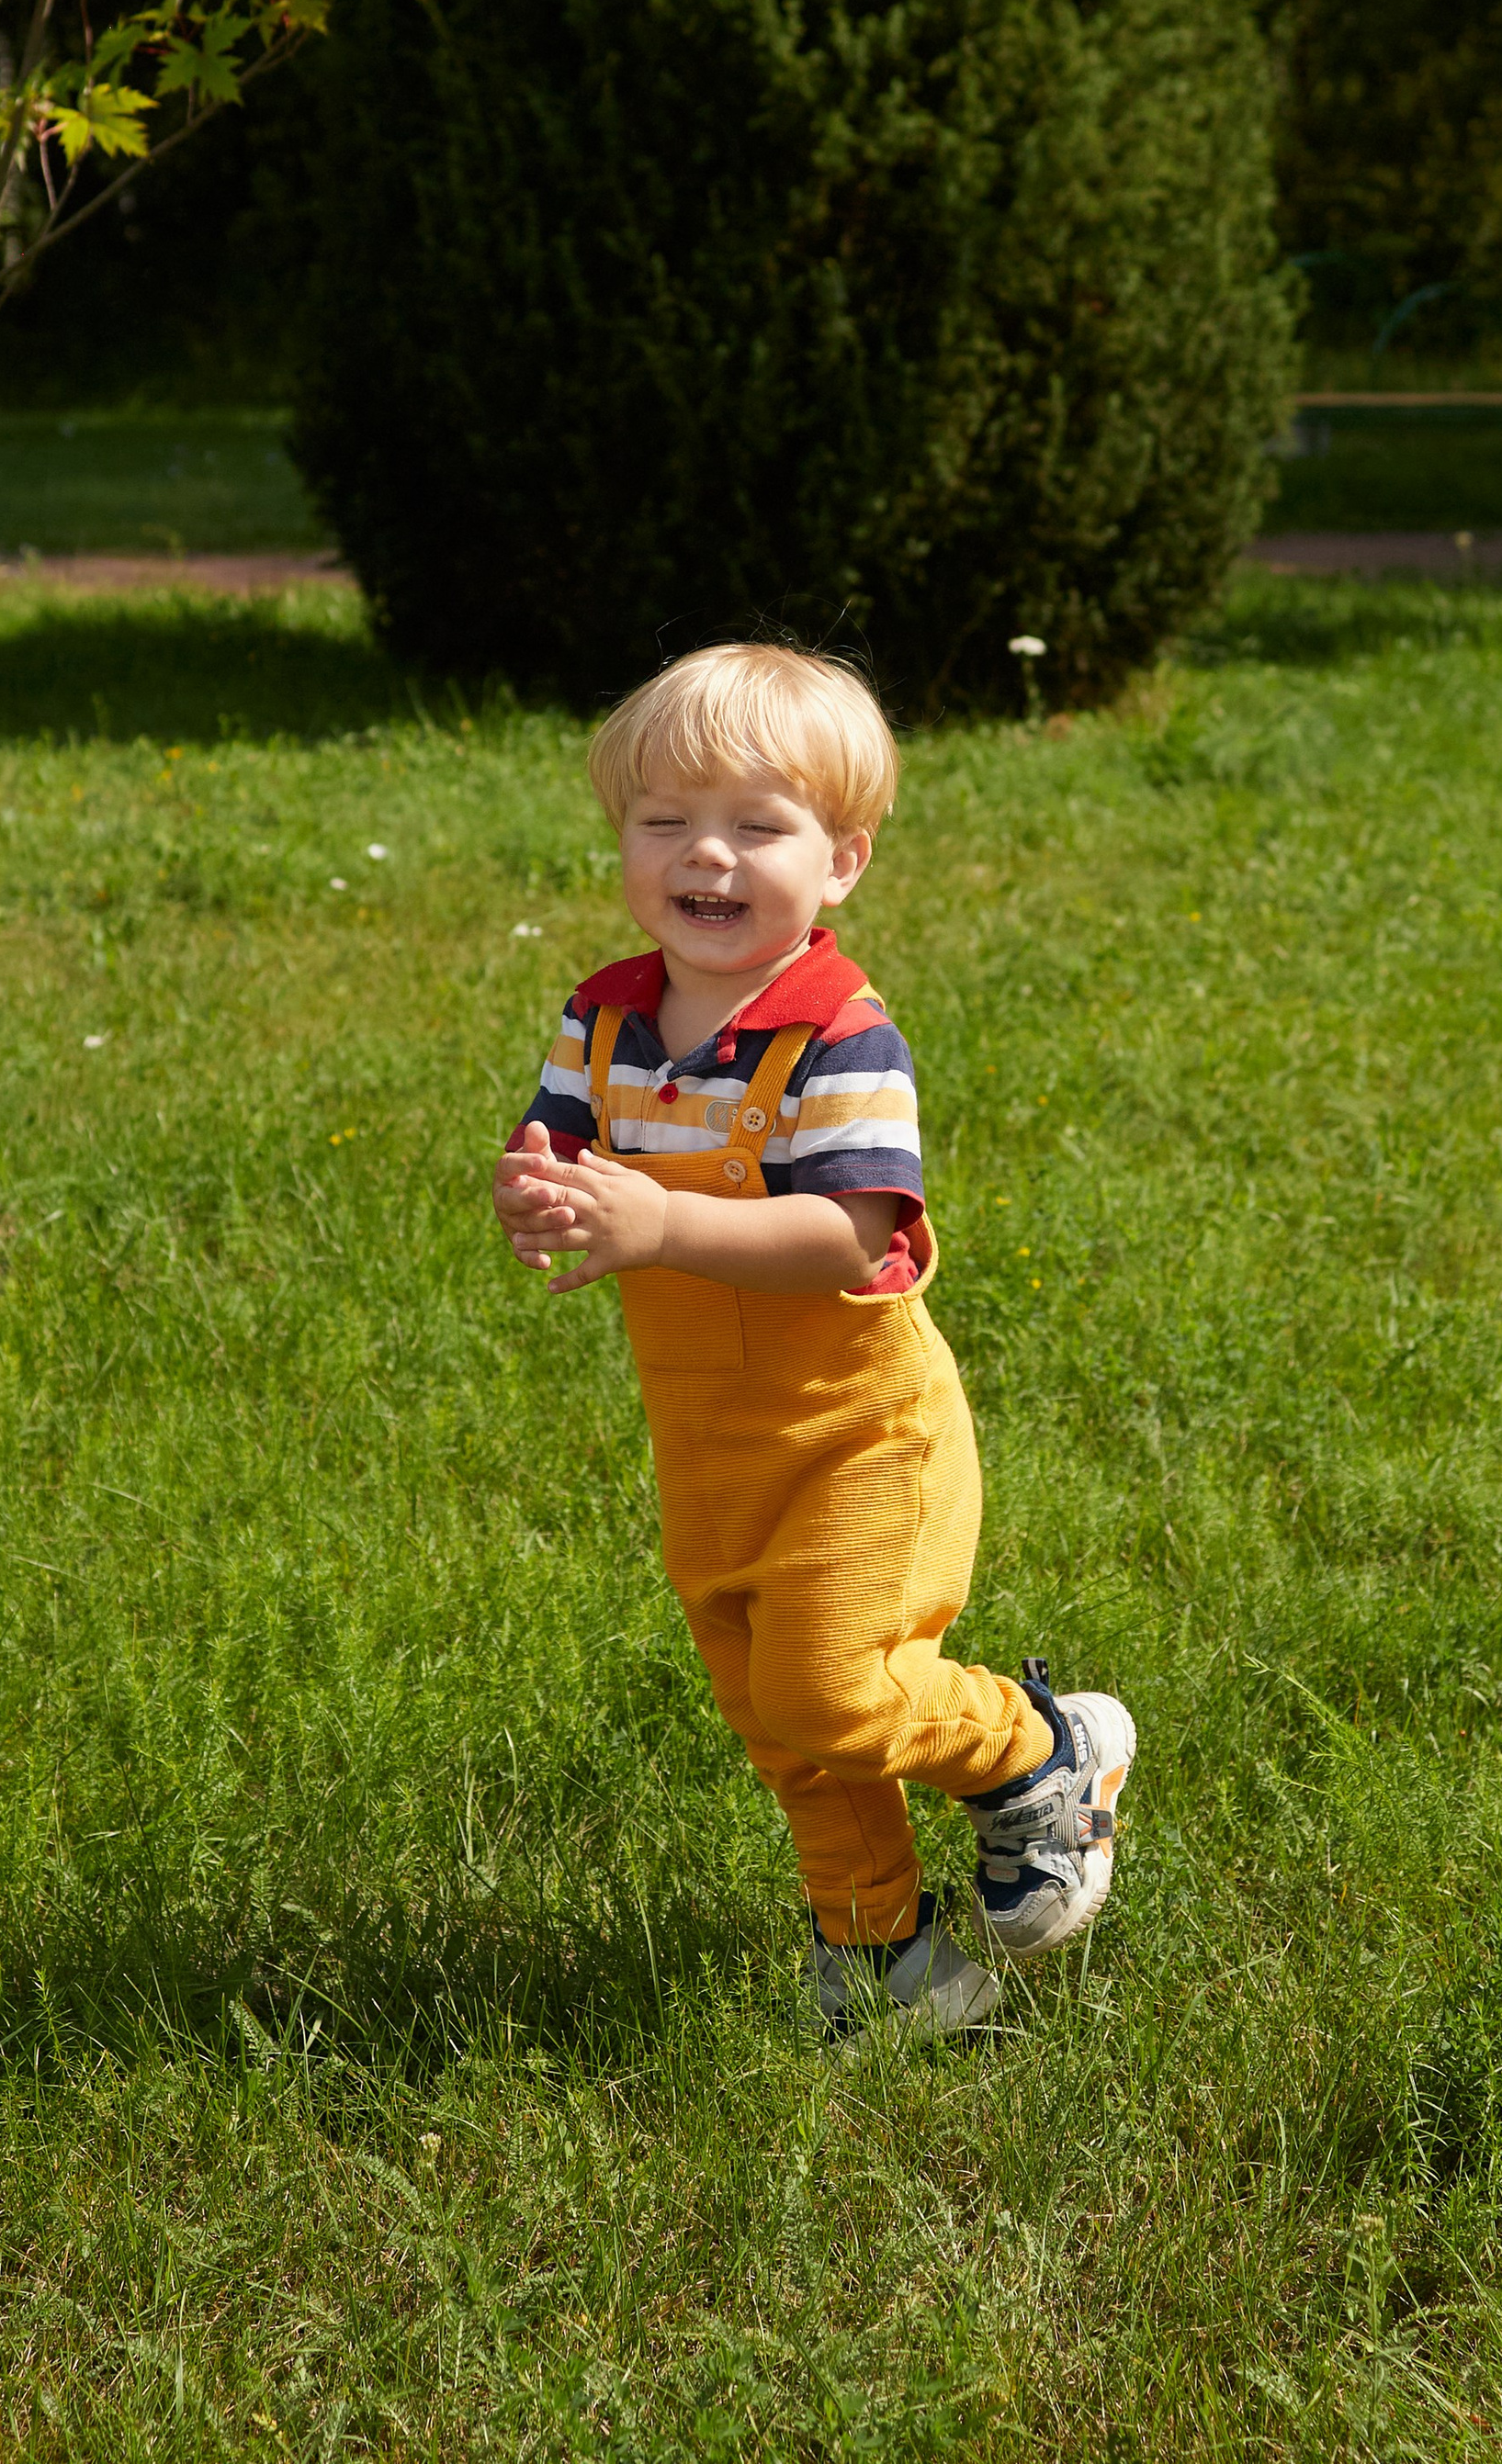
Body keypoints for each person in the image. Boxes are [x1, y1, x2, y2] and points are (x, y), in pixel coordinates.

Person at [491, 641, 1134, 2039]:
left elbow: (849, 1238)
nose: (704, 855)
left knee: (834, 1688)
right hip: (713, 1443)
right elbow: (565, 1155)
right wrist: (541, 1198)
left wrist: (654, 1226)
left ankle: (1041, 1752)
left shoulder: (838, 1035)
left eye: (755, 828)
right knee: (782, 1725)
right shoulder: (605, 1018)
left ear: (840, 861)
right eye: (663, 821)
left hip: (860, 1435)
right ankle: (887, 1966)